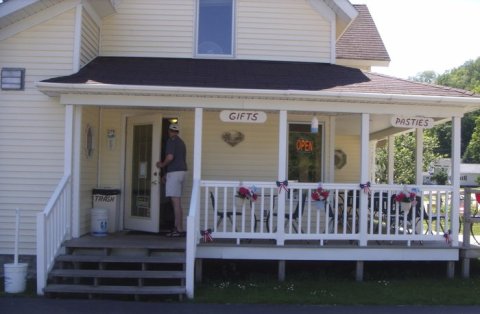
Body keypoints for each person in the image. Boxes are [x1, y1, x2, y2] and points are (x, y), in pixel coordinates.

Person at [156, 124, 187, 237]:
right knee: (177, 202)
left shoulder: (171, 141)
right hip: (181, 173)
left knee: (175, 203)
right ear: (178, 131)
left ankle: (177, 230)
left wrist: (161, 165)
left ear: (169, 131)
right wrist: (166, 174)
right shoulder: (181, 142)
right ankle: (180, 228)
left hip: (174, 173)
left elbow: (170, 157)